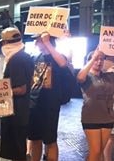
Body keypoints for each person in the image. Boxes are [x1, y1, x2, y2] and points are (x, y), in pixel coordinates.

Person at [28, 32, 70, 161]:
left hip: (50, 105)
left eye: (38, 40)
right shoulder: (34, 58)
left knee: (50, 140)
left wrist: (47, 43)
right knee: (34, 139)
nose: (35, 43)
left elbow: (63, 64)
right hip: (34, 104)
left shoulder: (58, 57)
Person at [77, 50, 114, 161]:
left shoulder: (108, 76)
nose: (99, 62)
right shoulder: (86, 76)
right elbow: (80, 77)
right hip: (91, 118)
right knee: (95, 151)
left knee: (99, 152)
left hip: (107, 118)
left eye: (101, 59)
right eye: (96, 59)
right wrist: (94, 57)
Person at [0, 27, 34, 161]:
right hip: (20, 113)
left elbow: (21, 88)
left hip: (16, 114)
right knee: (17, 151)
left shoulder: (16, 60)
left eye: (3, 43)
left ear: (6, 43)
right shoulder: (24, 56)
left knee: (17, 152)